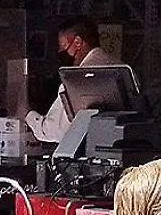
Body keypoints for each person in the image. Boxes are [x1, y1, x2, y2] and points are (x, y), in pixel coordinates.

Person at [25, 16, 124, 144]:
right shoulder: (120, 67)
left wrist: (27, 113)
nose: (60, 52)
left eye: (63, 46)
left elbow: (53, 131)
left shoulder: (75, 79)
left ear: (77, 42)